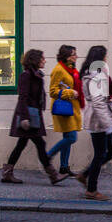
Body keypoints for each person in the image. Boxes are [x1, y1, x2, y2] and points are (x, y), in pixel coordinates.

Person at [1, 49, 68, 185]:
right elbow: (23, 97)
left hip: (33, 115)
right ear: (35, 60)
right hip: (28, 116)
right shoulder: (26, 76)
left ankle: (7, 173)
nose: (44, 60)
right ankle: (53, 175)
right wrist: (25, 118)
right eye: (42, 58)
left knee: (22, 144)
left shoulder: (36, 75)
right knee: (40, 144)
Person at [76, 45, 112, 201]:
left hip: (96, 117)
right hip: (98, 120)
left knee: (111, 151)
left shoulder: (90, 74)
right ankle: (91, 190)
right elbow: (98, 102)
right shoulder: (97, 76)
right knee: (100, 154)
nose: (106, 59)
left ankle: (84, 175)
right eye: (105, 56)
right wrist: (108, 124)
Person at [47, 45, 84, 175]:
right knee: (71, 137)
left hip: (71, 108)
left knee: (68, 136)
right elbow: (52, 91)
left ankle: (64, 167)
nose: (76, 56)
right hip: (63, 108)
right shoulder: (58, 70)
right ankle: (48, 155)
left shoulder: (71, 70)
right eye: (74, 54)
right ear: (67, 56)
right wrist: (69, 92)